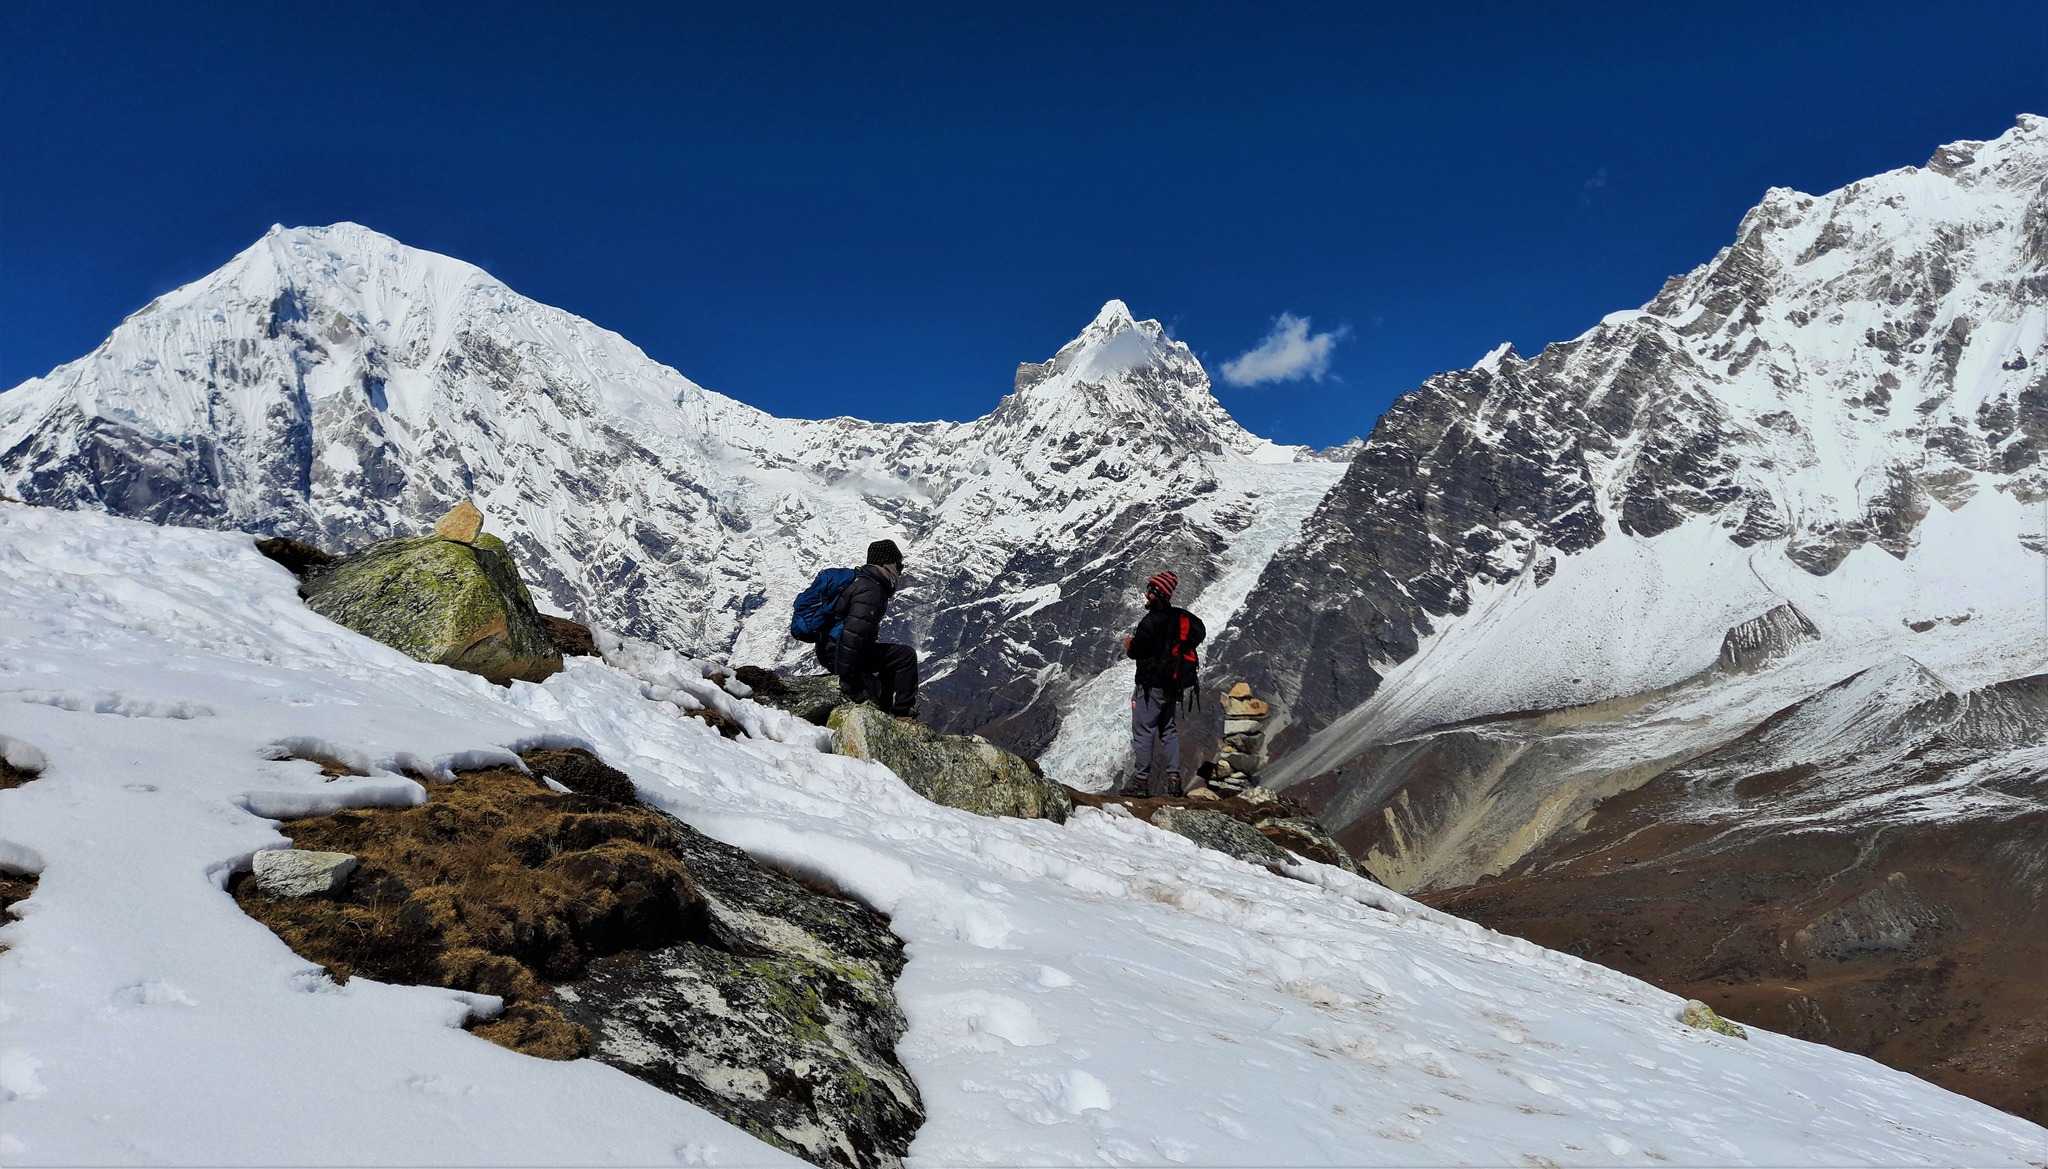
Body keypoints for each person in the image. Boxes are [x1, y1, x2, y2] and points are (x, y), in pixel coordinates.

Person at [815, 539, 920, 721]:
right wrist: (846, 676)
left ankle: (884, 709)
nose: (900, 572)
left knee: (890, 659)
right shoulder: (871, 589)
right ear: (888, 564)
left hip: (829, 649)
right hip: (838, 654)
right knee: (905, 656)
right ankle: (903, 712)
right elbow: (853, 633)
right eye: (899, 566)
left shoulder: (861, 581)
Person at [1121, 570, 1201, 798]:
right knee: (1168, 731)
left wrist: (1129, 644)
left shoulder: (1151, 621)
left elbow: (1136, 651)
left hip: (1150, 687)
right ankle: (1174, 782)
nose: (1146, 595)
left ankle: (1140, 783)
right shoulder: (1177, 618)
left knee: (1144, 732)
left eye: (1150, 590)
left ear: (1158, 593)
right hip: (1171, 685)